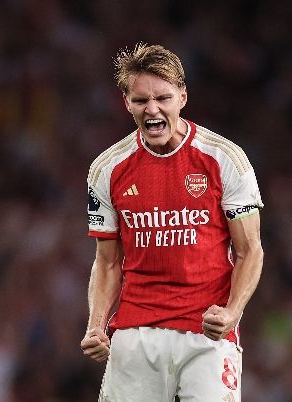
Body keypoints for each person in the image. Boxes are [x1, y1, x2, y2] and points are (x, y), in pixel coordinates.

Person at [80, 43, 264, 401]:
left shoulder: (224, 159)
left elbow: (250, 251)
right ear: (127, 103)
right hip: (136, 332)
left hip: (206, 333)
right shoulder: (107, 169)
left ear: (182, 96)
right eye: (140, 100)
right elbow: (106, 261)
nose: (152, 109)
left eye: (163, 98)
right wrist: (96, 326)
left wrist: (231, 313)